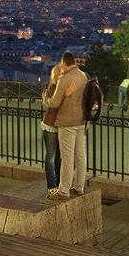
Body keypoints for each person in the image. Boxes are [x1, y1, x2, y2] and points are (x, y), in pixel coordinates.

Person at [44, 52, 88, 201]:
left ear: (64, 63)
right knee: (80, 154)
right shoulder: (83, 76)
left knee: (67, 157)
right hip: (81, 121)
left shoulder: (65, 79)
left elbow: (55, 103)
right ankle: (79, 187)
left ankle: (64, 191)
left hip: (67, 122)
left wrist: (45, 100)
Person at [41, 65, 64, 195]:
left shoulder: (60, 87)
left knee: (59, 157)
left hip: (60, 125)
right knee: (50, 156)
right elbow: (56, 104)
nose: (61, 75)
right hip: (50, 125)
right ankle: (51, 184)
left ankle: (59, 182)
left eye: (62, 73)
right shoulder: (53, 87)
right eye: (58, 74)